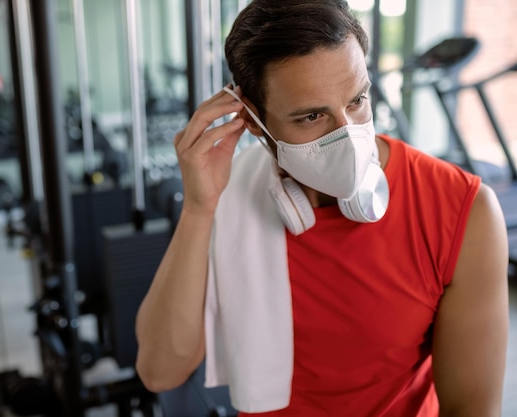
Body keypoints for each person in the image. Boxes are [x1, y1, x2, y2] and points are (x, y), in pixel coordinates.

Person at [135, 1, 509, 416]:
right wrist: (199, 209)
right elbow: (159, 371)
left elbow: (471, 407)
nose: (347, 135)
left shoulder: (463, 210)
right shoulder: (227, 196)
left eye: (357, 100)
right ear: (254, 121)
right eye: (311, 116)